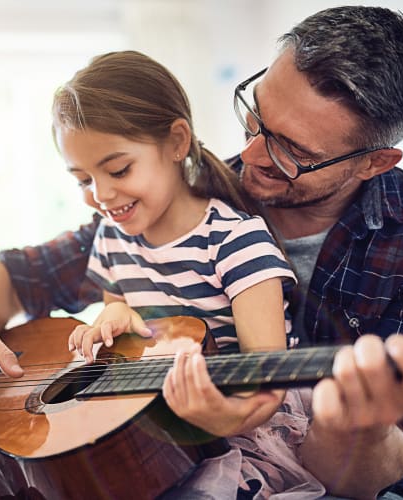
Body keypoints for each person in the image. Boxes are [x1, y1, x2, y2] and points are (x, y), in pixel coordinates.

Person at [0, 4, 403, 499]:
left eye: (293, 151)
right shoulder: (177, 197)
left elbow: (372, 473)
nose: (252, 155)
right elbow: (17, 277)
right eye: (254, 114)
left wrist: (357, 426)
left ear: (374, 162)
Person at [54, 50, 296, 436]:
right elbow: (130, 350)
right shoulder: (111, 238)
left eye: (118, 170)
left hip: (246, 431)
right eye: (83, 180)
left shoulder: (236, 241)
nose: (100, 194)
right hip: (162, 431)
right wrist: (112, 320)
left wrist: (223, 418)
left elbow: (267, 382)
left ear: (176, 142)